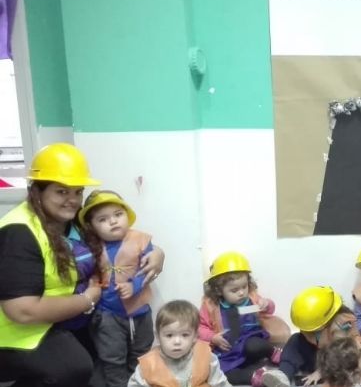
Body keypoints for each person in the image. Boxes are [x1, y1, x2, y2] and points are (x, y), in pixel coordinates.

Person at [0, 143, 164, 387]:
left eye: (77, 191)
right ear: (37, 191)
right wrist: (88, 299)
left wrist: (158, 253)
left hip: (67, 319)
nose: (72, 200)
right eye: (61, 192)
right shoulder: (19, 232)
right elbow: (22, 311)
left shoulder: (70, 221)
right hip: (20, 334)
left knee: (104, 361)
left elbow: (118, 238)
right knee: (75, 367)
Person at [79, 190, 156, 387]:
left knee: (142, 355)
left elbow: (150, 269)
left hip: (140, 312)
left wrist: (134, 285)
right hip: (107, 314)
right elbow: (88, 275)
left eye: (118, 215)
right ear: (92, 226)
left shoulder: (141, 240)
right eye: (103, 219)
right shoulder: (89, 246)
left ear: (126, 215)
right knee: (112, 358)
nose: (113, 221)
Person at [199, 251, 290, 385]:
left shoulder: (252, 298)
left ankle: (273, 353)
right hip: (229, 350)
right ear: (219, 290)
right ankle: (255, 376)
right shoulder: (211, 305)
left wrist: (266, 303)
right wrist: (213, 337)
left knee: (254, 345)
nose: (241, 292)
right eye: (234, 290)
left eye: (244, 287)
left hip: (251, 342)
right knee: (221, 372)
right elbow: (200, 328)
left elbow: (269, 310)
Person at [256, 286, 361, 387]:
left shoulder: (343, 326)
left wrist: (321, 372)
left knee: (346, 360)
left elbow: (343, 354)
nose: (308, 333)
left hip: (334, 362)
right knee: (295, 340)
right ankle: (282, 375)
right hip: (317, 355)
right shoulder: (314, 326)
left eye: (314, 331)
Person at [128, 299, 232, 387]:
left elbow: (220, 383)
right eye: (169, 335)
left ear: (195, 336)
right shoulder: (148, 364)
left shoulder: (206, 356)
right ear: (158, 336)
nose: (177, 342)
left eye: (185, 335)